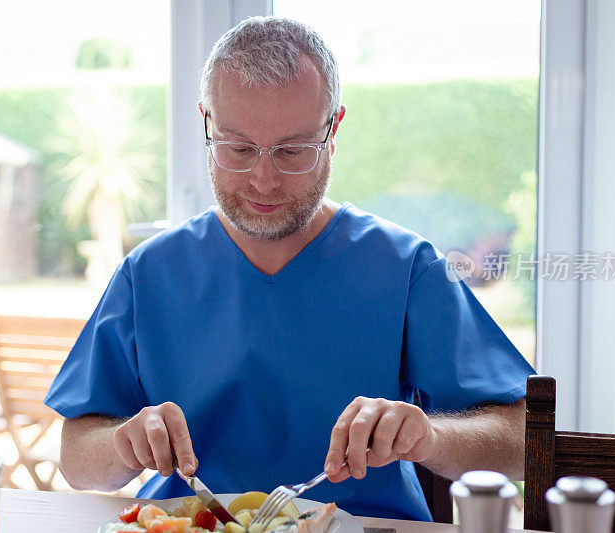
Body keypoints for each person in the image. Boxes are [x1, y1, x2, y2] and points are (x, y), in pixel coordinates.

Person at [44, 16, 535, 521]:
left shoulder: (404, 267)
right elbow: (77, 456)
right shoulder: (149, 274)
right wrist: (123, 446)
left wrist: (430, 437)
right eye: (237, 148)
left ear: (334, 129)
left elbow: (521, 437)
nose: (262, 179)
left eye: (292, 151)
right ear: (206, 123)